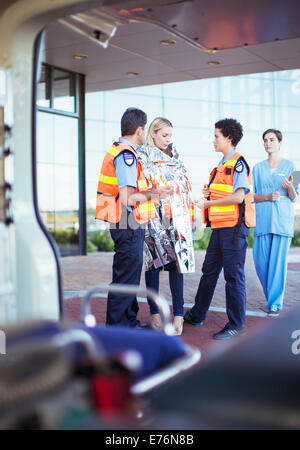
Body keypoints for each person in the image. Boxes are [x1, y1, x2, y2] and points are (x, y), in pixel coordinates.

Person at [95, 108, 173, 328]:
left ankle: (128, 321)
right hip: (126, 222)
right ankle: (120, 327)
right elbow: (129, 198)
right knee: (126, 277)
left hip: (124, 221)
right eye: (145, 129)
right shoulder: (126, 155)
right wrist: (155, 193)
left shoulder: (120, 151)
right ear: (140, 130)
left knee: (128, 275)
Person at [184, 118, 256, 340]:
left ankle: (236, 324)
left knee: (233, 277)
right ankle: (197, 314)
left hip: (234, 228)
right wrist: (208, 195)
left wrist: (208, 204)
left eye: (216, 136)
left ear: (229, 138)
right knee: (209, 272)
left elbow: (237, 196)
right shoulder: (219, 166)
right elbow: (221, 193)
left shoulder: (238, 163)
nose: (213, 140)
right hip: (220, 228)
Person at [137, 117, 195, 335]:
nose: (168, 140)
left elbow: (183, 183)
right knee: (152, 265)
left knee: (176, 265)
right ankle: (154, 315)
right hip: (153, 216)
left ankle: (178, 316)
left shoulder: (175, 155)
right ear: (153, 133)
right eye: (164, 135)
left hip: (176, 217)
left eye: (170, 135)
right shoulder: (142, 155)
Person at [252, 129, 298, 317]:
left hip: (281, 221)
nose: (268, 143)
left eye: (272, 140)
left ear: (279, 142)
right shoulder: (257, 168)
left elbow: (294, 197)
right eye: (265, 140)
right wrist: (266, 197)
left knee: (277, 265)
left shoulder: (290, 166)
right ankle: (272, 298)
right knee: (261, 263)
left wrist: (289, 188)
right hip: (262, 221)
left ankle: (274, 303)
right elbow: (251, 197)